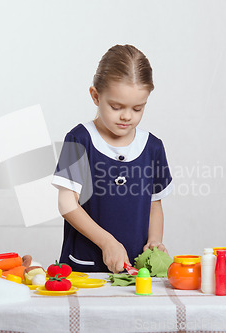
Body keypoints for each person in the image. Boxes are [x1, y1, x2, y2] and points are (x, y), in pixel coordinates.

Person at [52, 44, 173, 273]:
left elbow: (154, 203)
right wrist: (107, 242)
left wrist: (155, 241)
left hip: (135, 270)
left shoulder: (153, 147)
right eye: (116, 107)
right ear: (96, 96)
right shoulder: (79, 140)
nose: (127, 116)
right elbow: (67, 203)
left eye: (138, 108)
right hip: (84, 268)